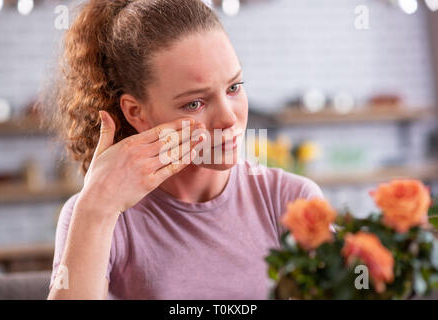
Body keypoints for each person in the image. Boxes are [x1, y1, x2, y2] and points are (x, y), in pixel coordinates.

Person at [45, 0, 324, 300]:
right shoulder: (97, 214)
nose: (228, 118)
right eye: (195, 103)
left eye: (234, 87)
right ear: (136, 112)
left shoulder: (290, 200)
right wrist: (96, 209)